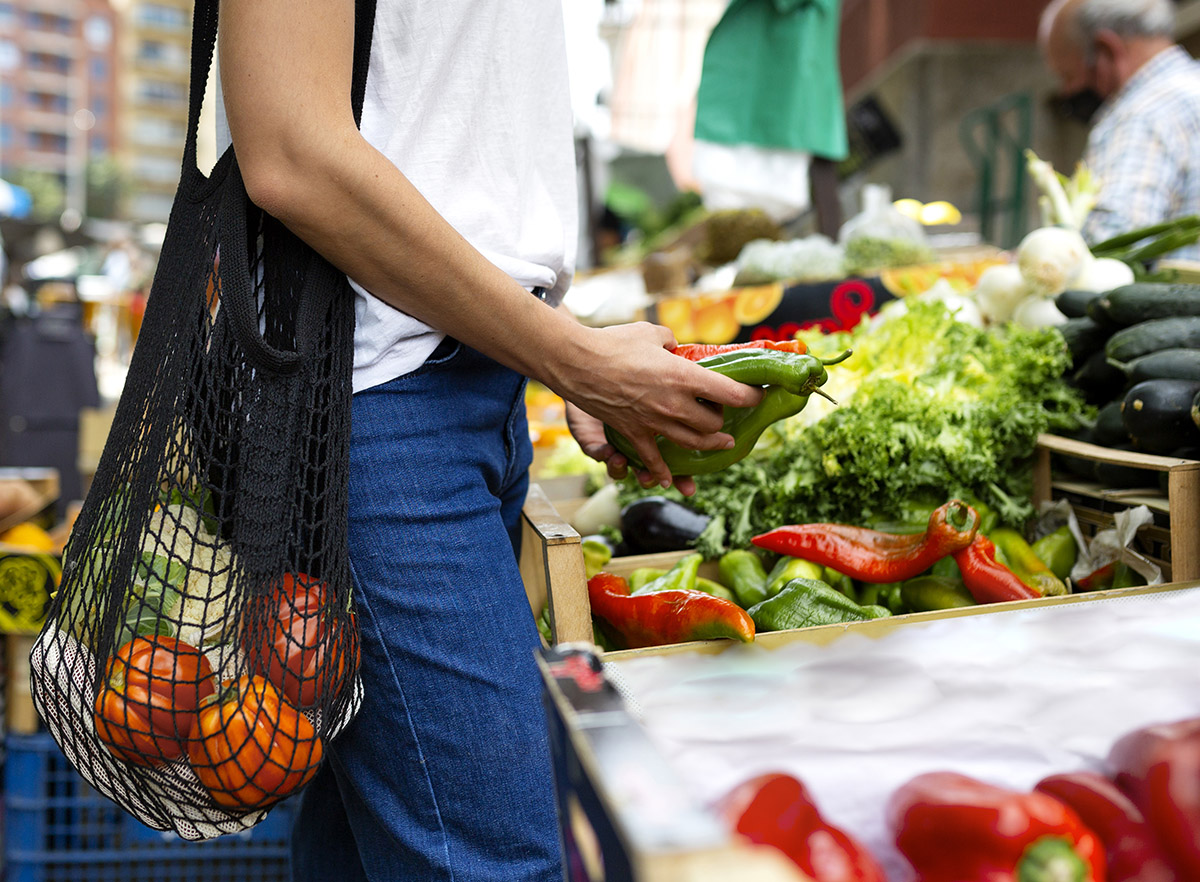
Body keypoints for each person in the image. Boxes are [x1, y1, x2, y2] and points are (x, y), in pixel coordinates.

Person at [216, 2, 764, 881]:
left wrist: (551, 335)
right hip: (374, 412)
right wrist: (571, 357)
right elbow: (289, 150)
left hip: (458, 394)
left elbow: (441, 145)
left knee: (379, 846)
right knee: (506, 859)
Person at [1039, 0, 1200, 260]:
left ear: (1106, 49)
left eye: (1067, 76)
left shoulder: (1142, 114)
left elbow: (1107, 246)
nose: (1067, 92)